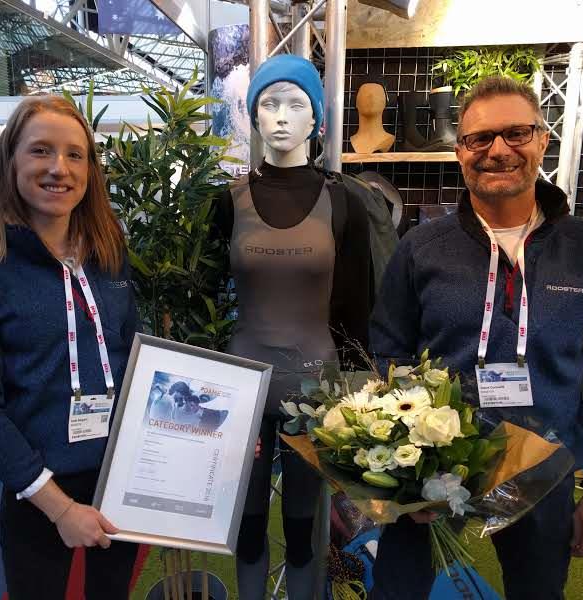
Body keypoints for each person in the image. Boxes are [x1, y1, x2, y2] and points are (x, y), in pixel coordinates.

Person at [369, 76, 583, 599]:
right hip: (432, 468)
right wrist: (404, 467)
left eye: (516, 133)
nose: (498, 150)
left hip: (544, 467)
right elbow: (390, 352)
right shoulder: (422, 248)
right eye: (480, 138)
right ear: (460, 151)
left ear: (542, 139)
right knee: (397, 591)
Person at [0, 95, 139, 600]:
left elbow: (136, 363)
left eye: (75, 155)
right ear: (10, 161)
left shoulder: (110, 257)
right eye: (40, 151)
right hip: (36, 490)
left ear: (90, 170)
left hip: (119, 476)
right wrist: (60, 508)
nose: (59, 169)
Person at [214, 54, 372, 600]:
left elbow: (358, 305)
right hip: (243, 388)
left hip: (318, 386)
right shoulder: (227, 202)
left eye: (295, 104)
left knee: (306, 525)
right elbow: (206, 298)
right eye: (268, 104)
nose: (281, 116)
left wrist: (362, 396)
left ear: (317, 121)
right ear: (253, 117)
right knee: (248, 520)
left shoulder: (344, 199)